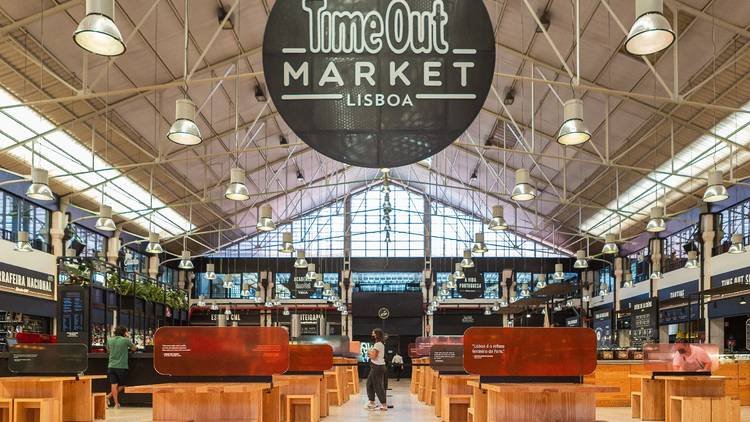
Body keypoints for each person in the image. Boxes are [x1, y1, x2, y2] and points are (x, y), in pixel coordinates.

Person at [106, 326, 136, 408]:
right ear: (123, 332)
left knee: (114, 384)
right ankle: (108, 397)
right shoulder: (125, 340)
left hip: (111, 365)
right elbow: (134, 348)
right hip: (121, 366)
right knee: (123, 385)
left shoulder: (110, 340)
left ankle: (116, 404)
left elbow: (108, 350)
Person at [365, 328, 387, 411]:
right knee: (369, 384)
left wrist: (369, 352)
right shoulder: (379, 344)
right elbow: (373, 356)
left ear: (377, 335)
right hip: (376, 366)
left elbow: (373, 357)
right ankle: (372, 403)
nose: (372, 335)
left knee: (378, 386)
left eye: (373, 333)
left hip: (377, 366)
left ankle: (384, 405)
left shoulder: (378, 344)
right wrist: (370, 353)